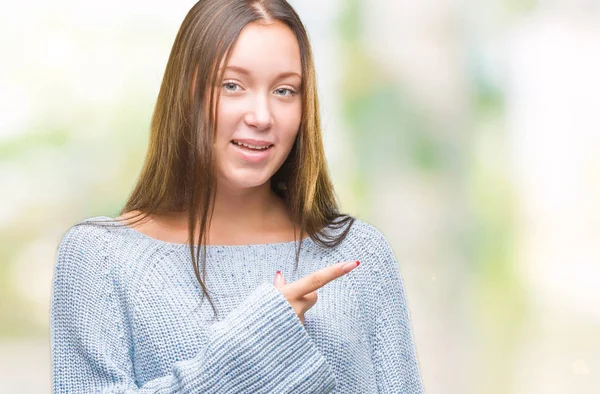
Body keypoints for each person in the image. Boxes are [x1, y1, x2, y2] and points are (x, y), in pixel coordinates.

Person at [50, 0, 425, 392]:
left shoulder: (358, 254)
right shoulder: (101, 258)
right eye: (232, 85)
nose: (262, 117)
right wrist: (259, 346)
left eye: (284, 90)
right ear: (187, 93)